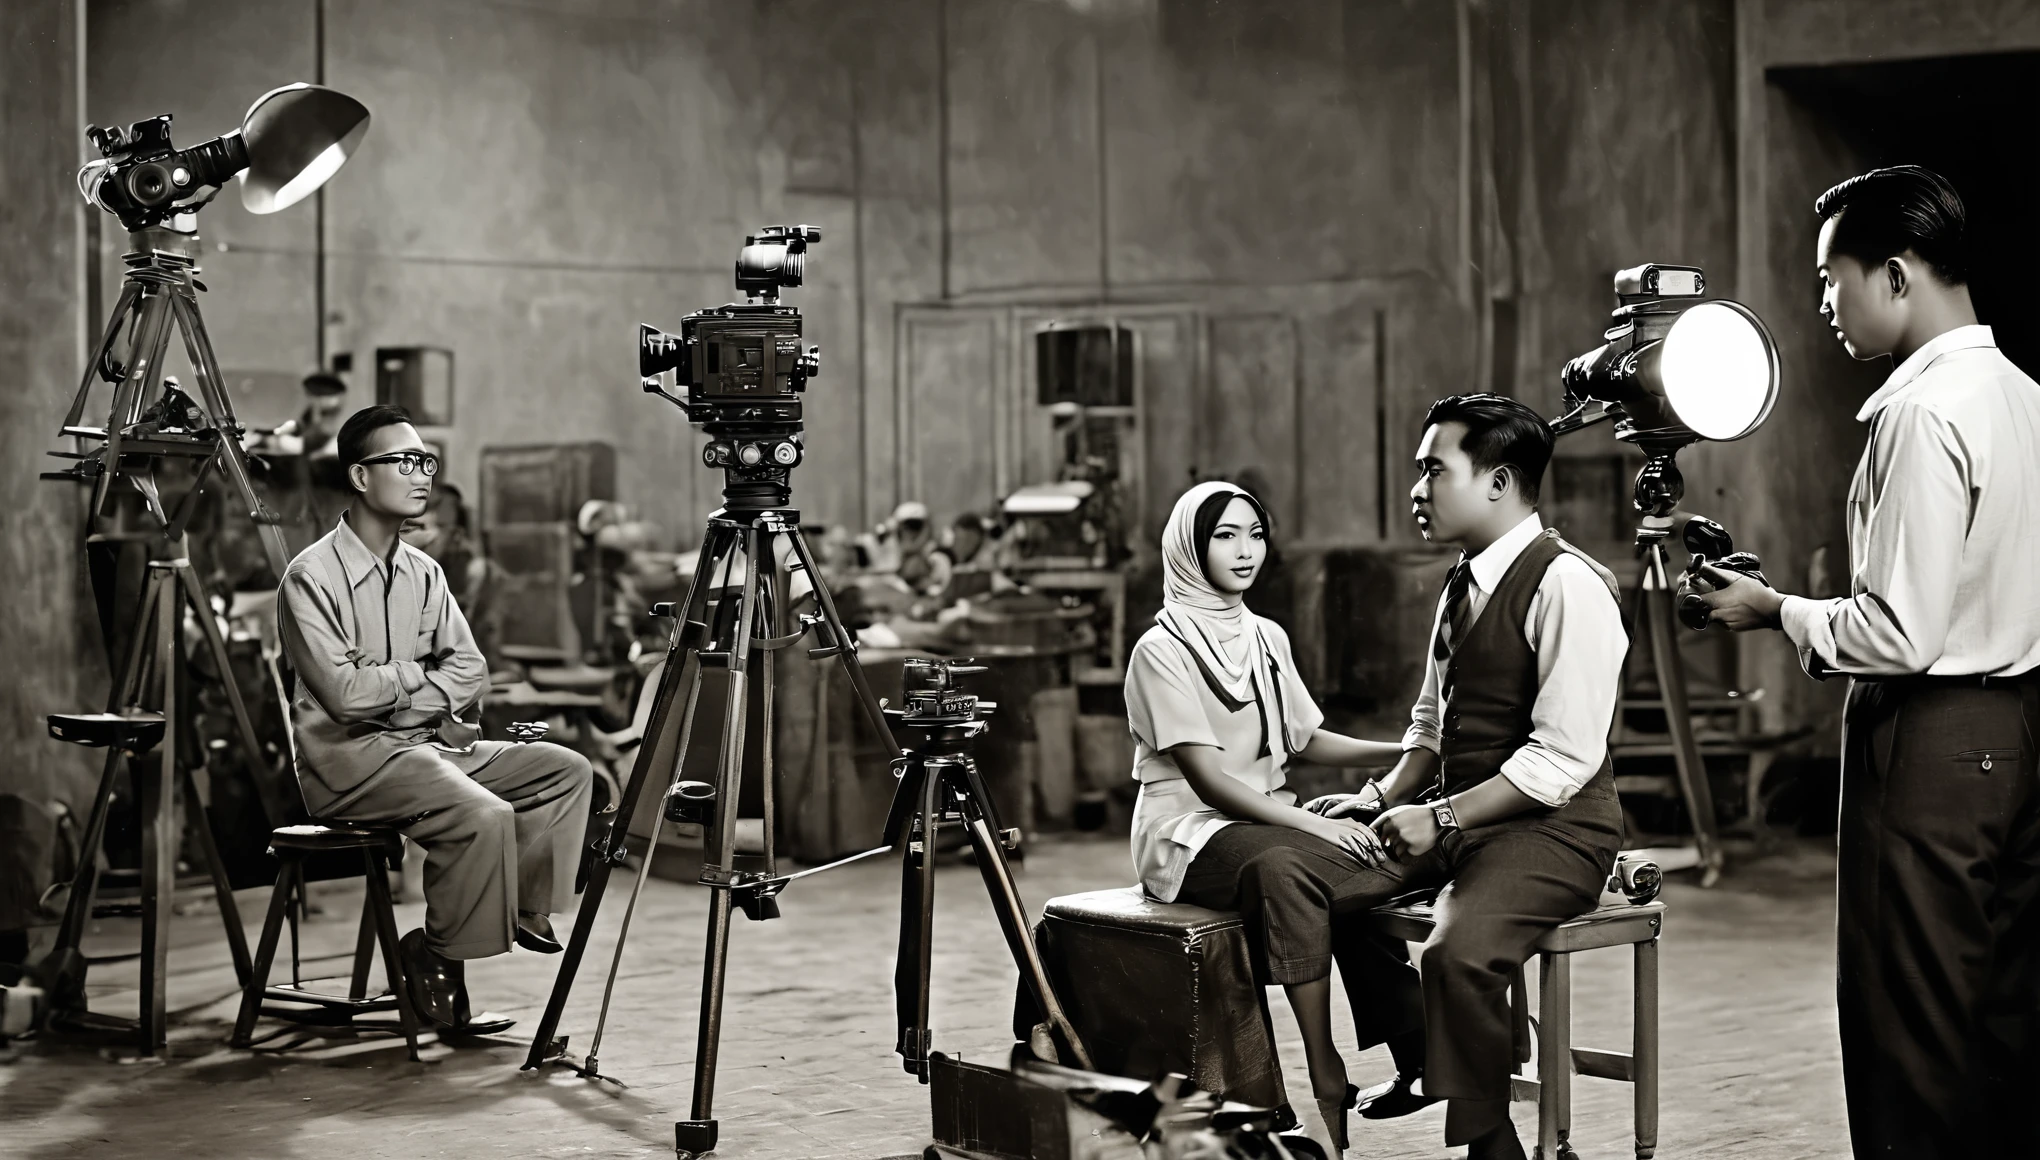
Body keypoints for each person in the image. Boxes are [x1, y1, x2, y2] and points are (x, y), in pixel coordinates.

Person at [1694, 165, 2040, 1158]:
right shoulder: (2023, 396)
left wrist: (1776, 608)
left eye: (1829, 277)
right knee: (2003, 1020)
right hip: (2023, 731)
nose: (1823, 303)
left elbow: (1899, 632)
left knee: (1911, 1025)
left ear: (1894, 274)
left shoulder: (1921, 412)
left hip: (1933, 740)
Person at [1305, 394, 1628, 1159]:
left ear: (1499, 481)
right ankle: (1423, 1057)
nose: (1416, 490)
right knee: (1321, 886)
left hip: (1555, 830)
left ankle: (1494, 1147)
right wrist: (1381, 796)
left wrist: (1440, 818)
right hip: (1460, 819)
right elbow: (1429, 723)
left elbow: (1560, 761)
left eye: (1432, 470)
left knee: (1457, 953)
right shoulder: (1460, 582)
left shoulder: (1569, 586)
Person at [277, 405, 593, 1034]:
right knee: (484, 814)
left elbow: (470, 668)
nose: (421, 474)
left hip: (426, 748)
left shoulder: (425, 572)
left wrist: (396, 684)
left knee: (566, 771)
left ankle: (523, 907)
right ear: (361, 477)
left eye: (426, 461)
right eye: (404, 461)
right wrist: (422, 677)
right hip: (352, 767)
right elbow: (342, 697)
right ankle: (436, 955)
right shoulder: (310, 577)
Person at [1124, 480, 1413, 1155]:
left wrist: (1407, 748)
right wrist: (1313, 826)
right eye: (1225, 535)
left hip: (1264, 823)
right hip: (1186, 832)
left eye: (1255, 533)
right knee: (1287, 867)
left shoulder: (1265, 636)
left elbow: (1305, 738)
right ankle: (1324, 1068)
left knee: (1368, 849)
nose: (1246, 549)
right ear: (1190, 548)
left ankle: (1417, 1048)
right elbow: (1209, 782)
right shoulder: (1158, 650)